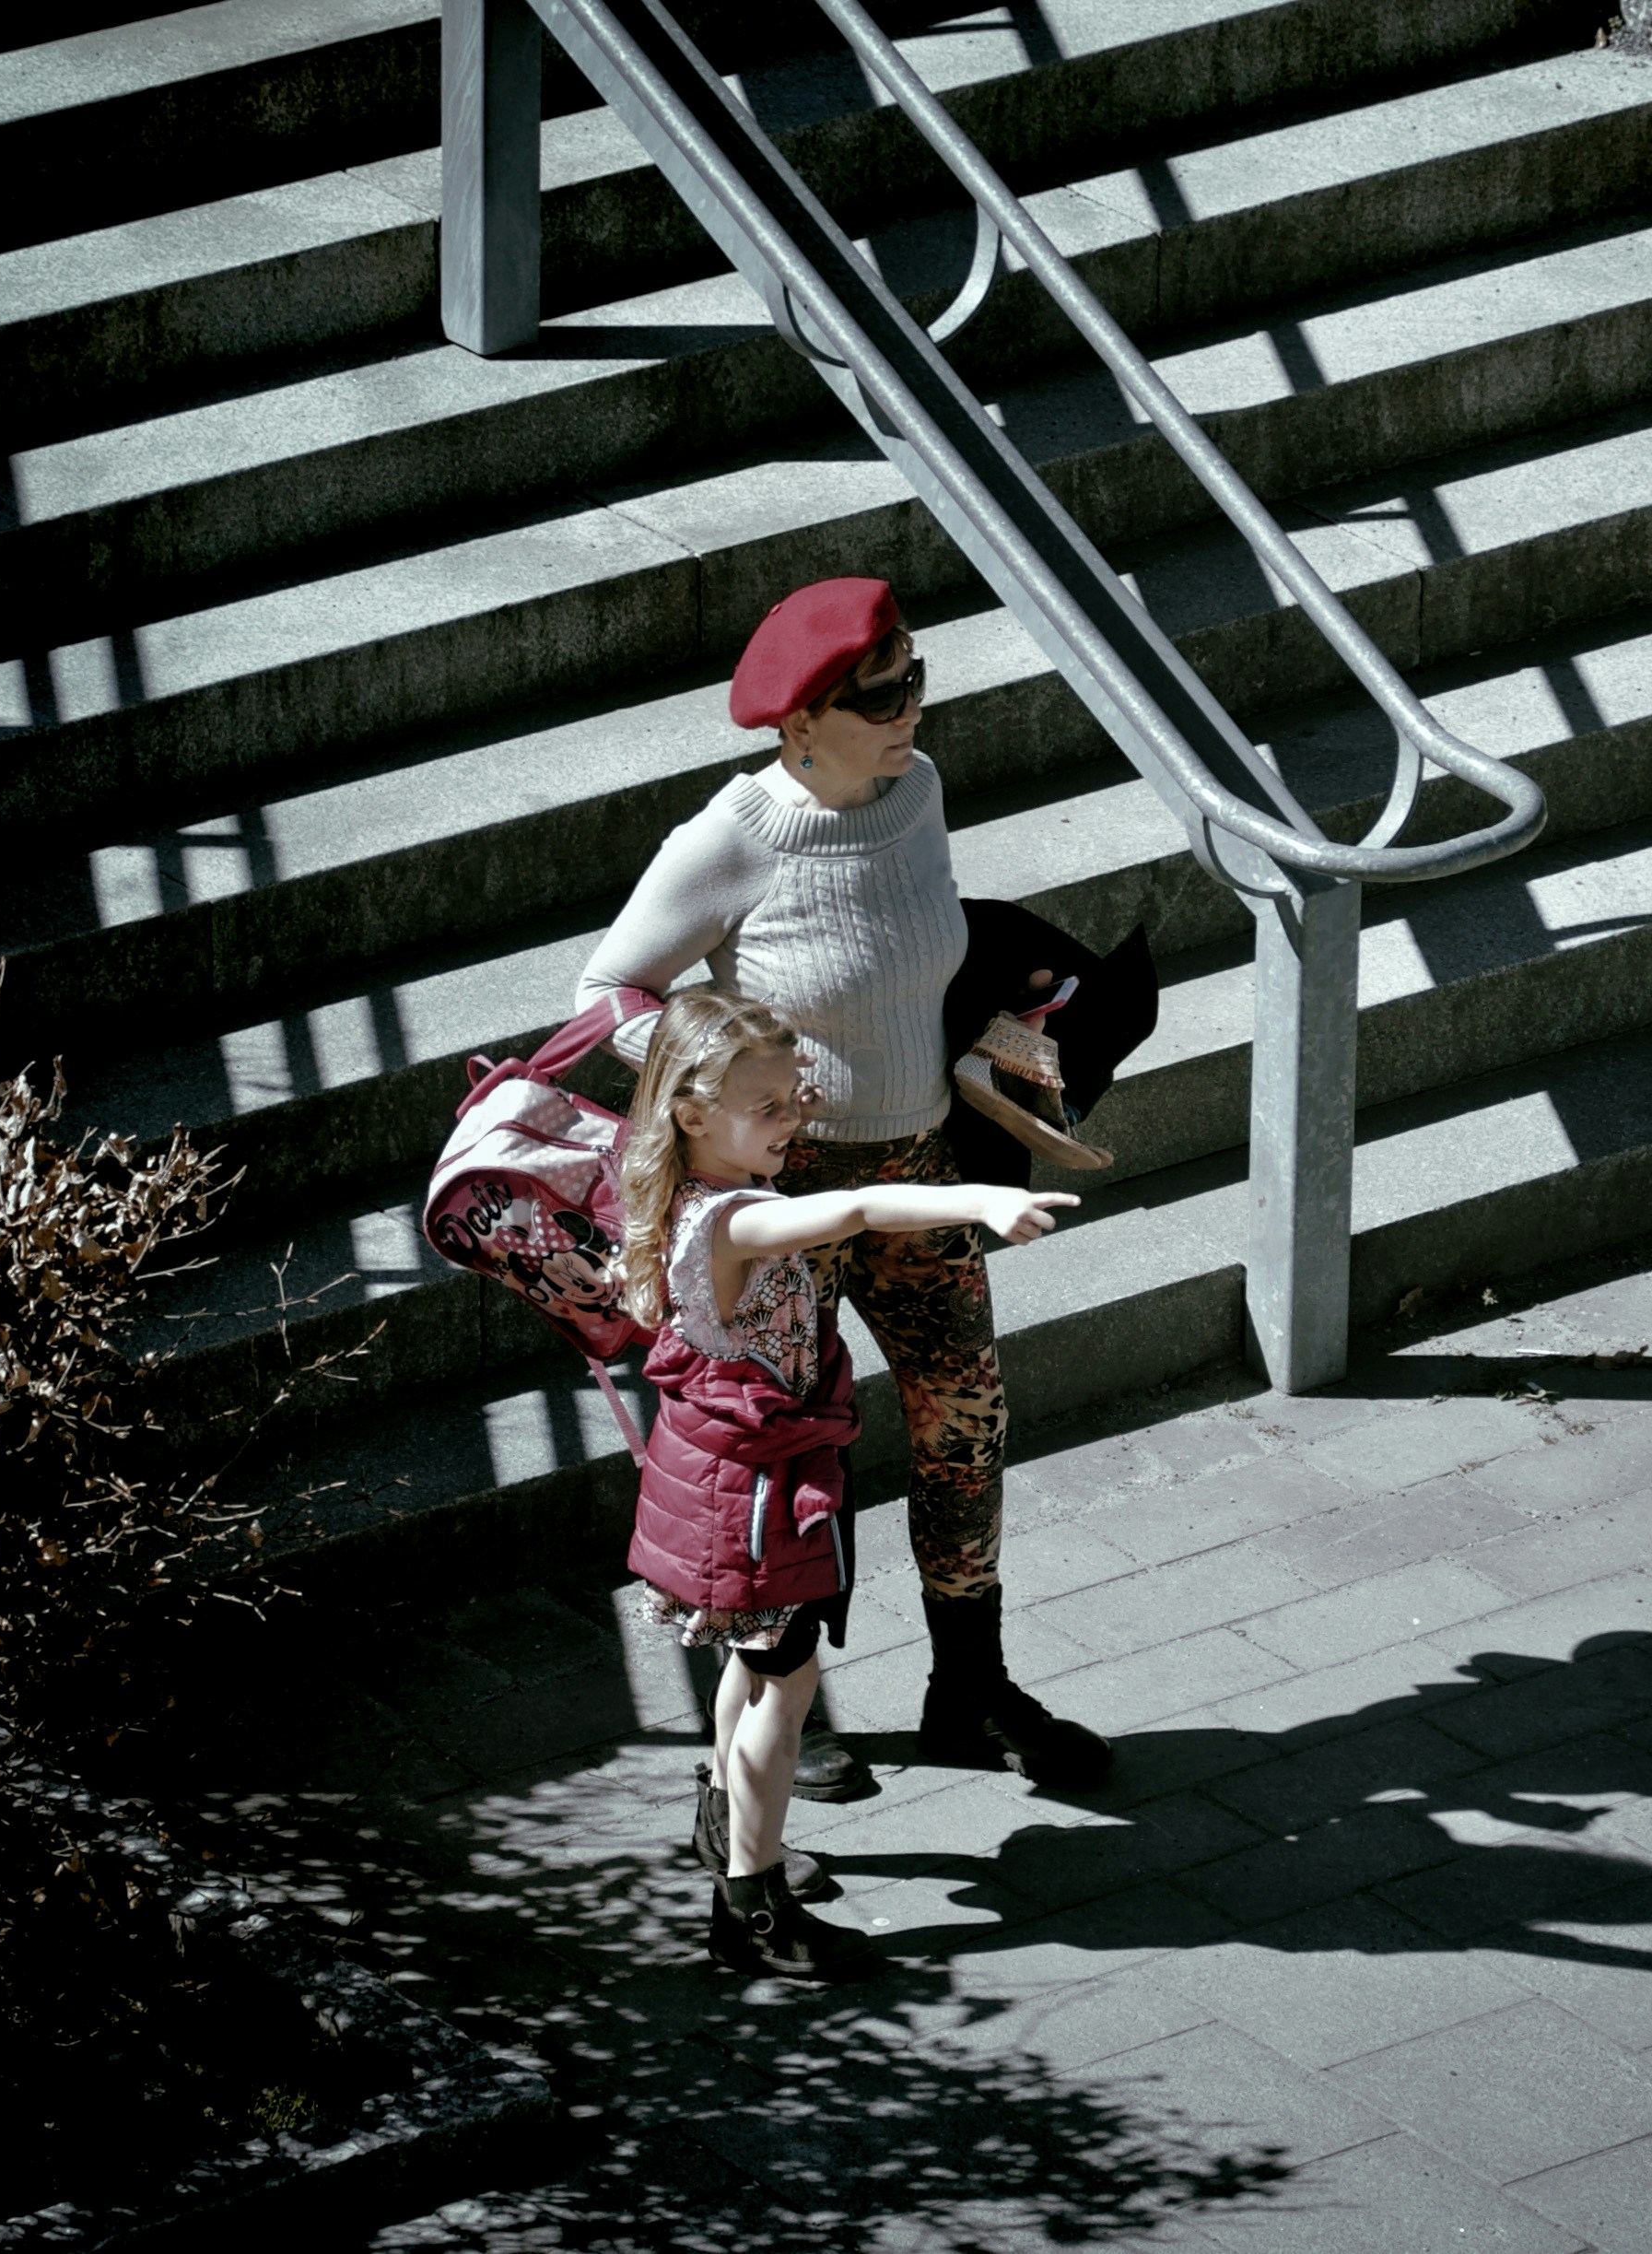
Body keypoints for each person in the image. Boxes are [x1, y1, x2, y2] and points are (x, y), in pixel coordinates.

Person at [577, 577, 1114, 1797]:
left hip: (919, 1165)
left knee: (966, 1424)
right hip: (786, 1197)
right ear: (800, 719)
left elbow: (906, 944)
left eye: (916, 680)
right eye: (880, 694)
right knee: (786, 1454)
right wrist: (716, 1076)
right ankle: (787, 1696)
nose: (909, 709)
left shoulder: (915, 789)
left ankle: (966, 1687)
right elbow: (603, 993)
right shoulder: (731, 837)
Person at [616, 988, 1072, 1979]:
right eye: (769, 1106)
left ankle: (727, 1829)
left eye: (795, 1097)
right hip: (758, 1500)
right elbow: (863, 1207)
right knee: (787, 1690)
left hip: (743, 1482)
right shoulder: (735, 1219)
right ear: (694, 1113)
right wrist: (981, 1201)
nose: (796, 1122)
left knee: (756, 1664)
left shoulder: (687, 1201)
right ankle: (751, 1903)